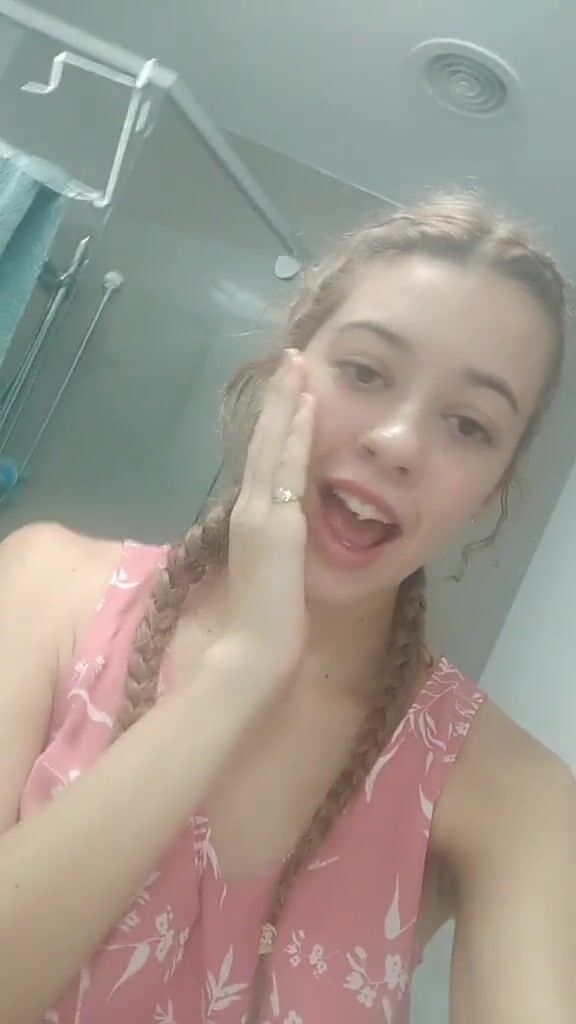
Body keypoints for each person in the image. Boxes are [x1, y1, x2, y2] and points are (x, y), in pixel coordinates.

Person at [0, 192, 575, 1024]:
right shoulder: (43, 586)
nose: (397, 442)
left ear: (492, 488)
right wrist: (244, 669)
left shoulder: (513, 794)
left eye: (469, 425)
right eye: (366, 373)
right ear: (281, 372)